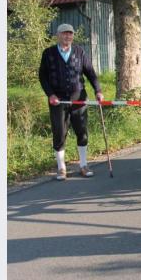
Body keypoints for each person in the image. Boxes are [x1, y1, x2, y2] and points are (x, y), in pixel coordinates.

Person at [38, 23, 103, 180]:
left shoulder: (80, 52)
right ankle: (61, 168)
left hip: (78, 97)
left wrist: (98, 91)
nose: (68, 36)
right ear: (58, 35)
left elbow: (90, 73)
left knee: (82, 131)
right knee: (59, 132)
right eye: (64, 34)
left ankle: (83, 165)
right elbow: (43, 76)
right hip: (58, 100)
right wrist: (50, 94)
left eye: (70, 34)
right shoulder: (48, 53)